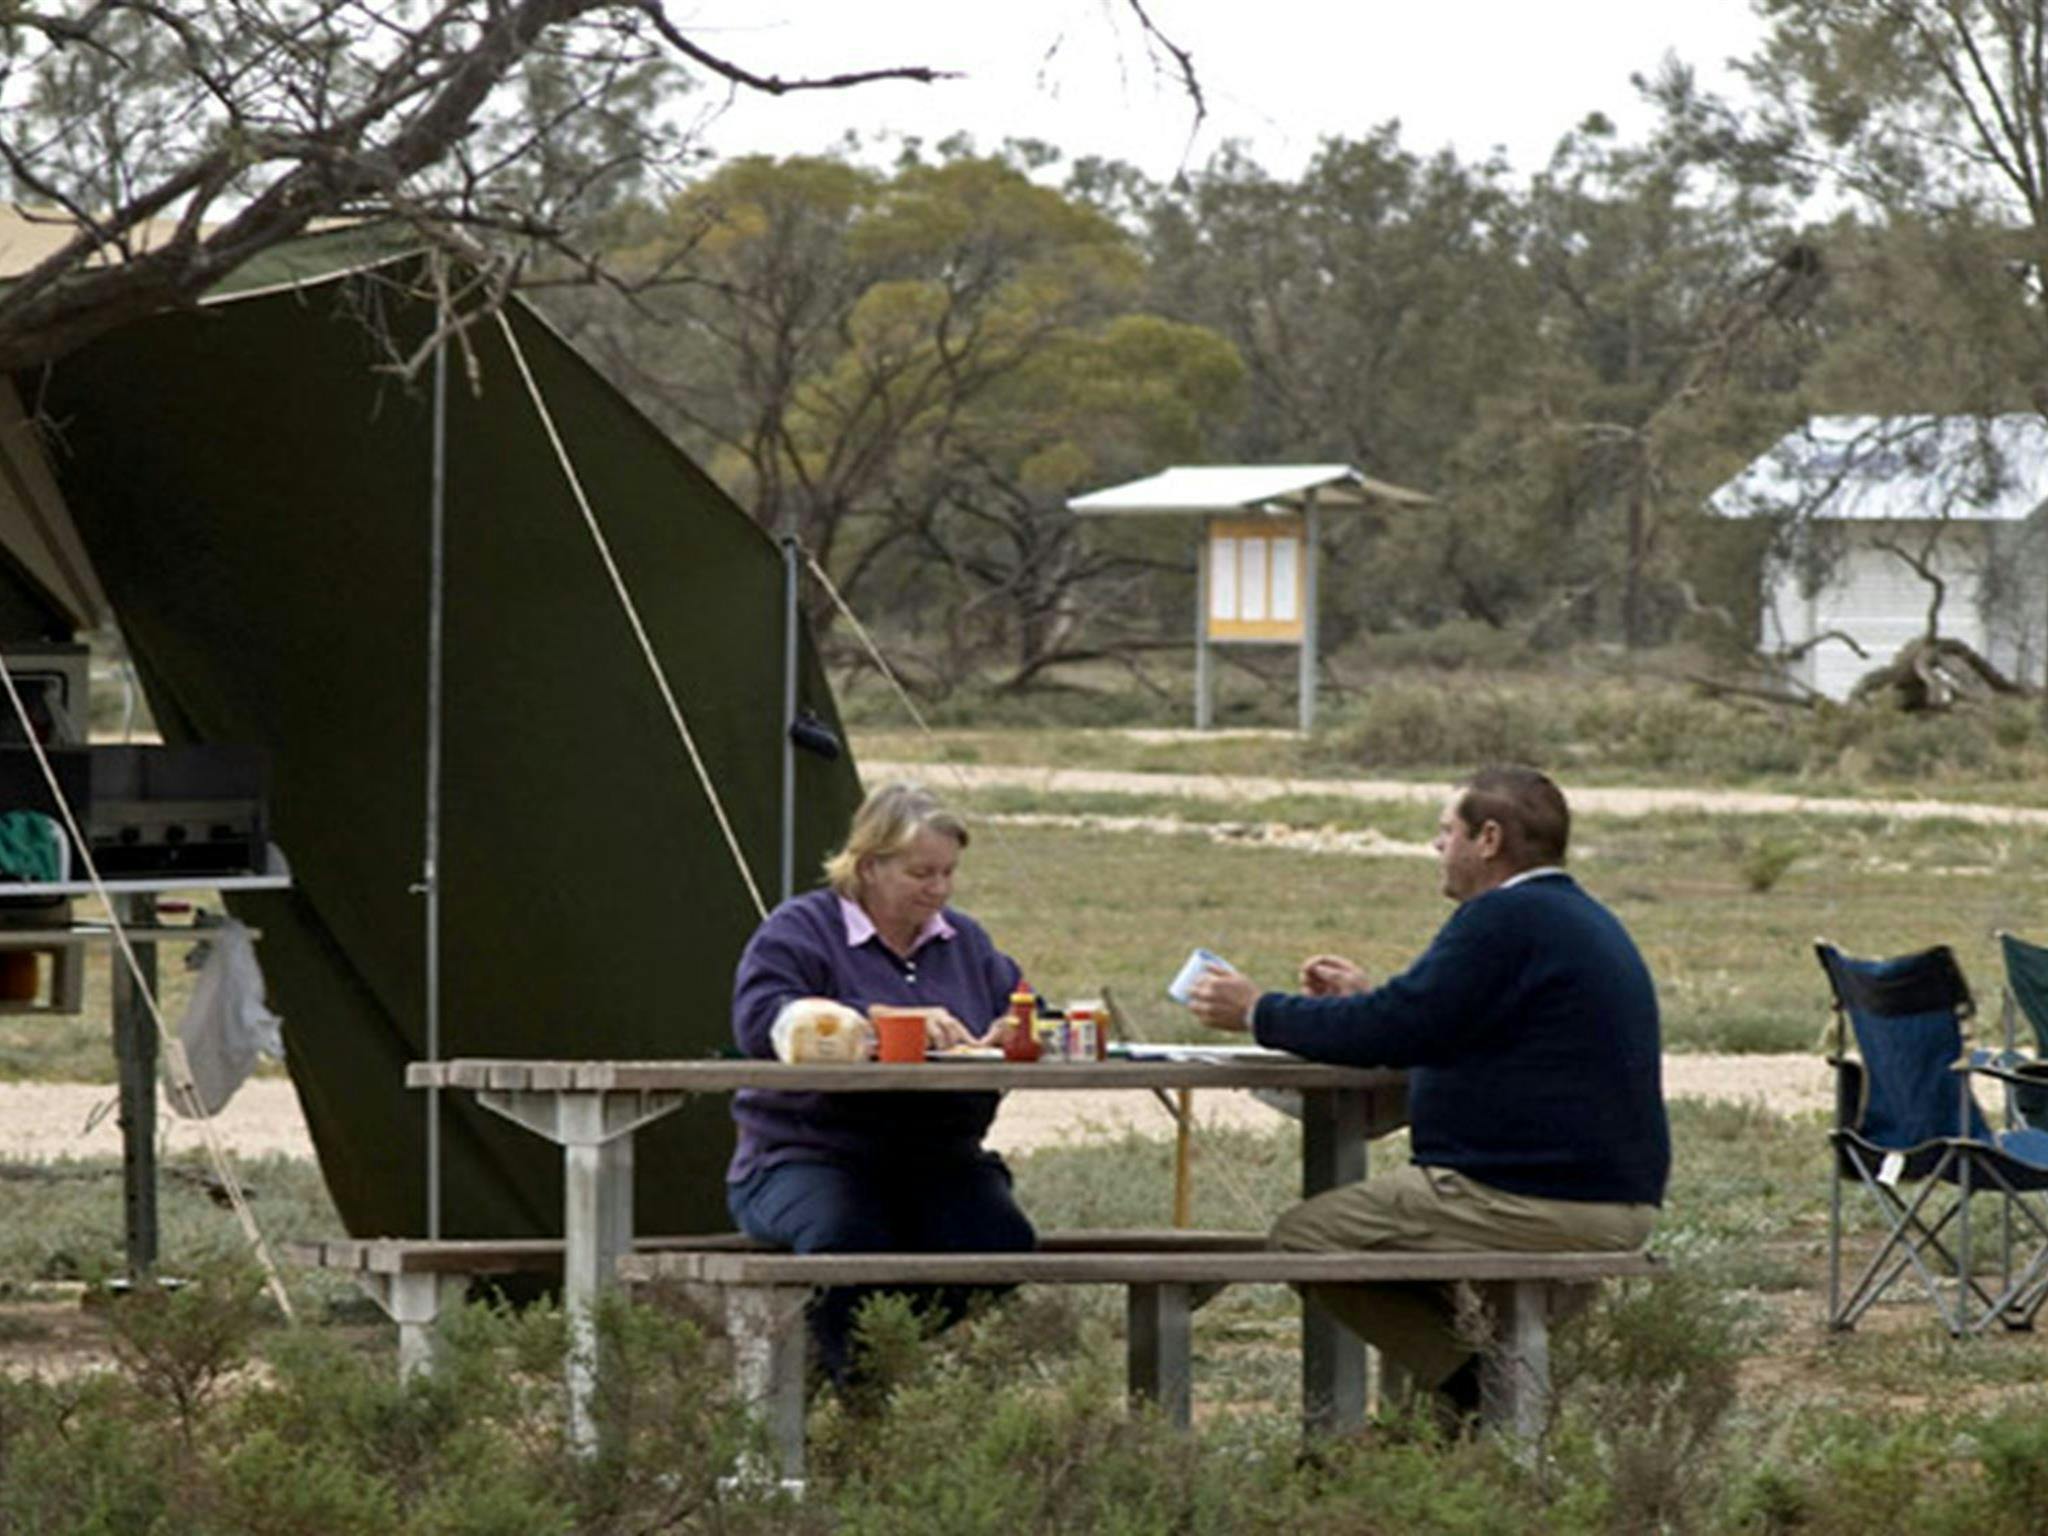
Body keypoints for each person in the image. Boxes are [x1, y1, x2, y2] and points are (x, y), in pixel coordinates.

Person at [1185, 764, 1668, 1422]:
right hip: (1602, 1195)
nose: (1437, 847)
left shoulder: (1503, 916)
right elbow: (1430, 1020)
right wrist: (1368, 1002)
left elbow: (1398, 1025)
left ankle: (1478, 1390)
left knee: (1307, 1238)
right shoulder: (1568, 915)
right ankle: (1438, 1436)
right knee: (1410, 1271)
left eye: (1447, 831)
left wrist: (1258, 1010)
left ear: (1488, 839)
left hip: (1533, 1200)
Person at [727, 780, 1035, 1384]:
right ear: (868, 866)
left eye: (948, 873)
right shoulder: (800, 930)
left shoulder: (965, 940)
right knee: (849, 1240)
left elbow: (1024, 1004)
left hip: (939, 1159)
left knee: (1000, 1243)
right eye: (922, 873)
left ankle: (868, 1360)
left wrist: (1014, 1029)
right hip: (807, 1155)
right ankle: (848, 1379)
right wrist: (881, 1025)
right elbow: (763, 1021)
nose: (939, 889)